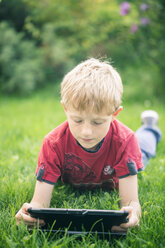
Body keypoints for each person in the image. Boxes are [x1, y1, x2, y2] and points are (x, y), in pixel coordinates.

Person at [15, 58, 161, 232]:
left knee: (143, 148)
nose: (86, 132)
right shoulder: (53, 143)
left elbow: (131, 203)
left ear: (115, 114)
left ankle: (149, 127)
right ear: (65, 109)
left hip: (124, 156)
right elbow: (39, 203)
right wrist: (30, 214)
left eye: (97, 122)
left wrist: (133, 213)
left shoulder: (125, 141)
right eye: (77, 120)